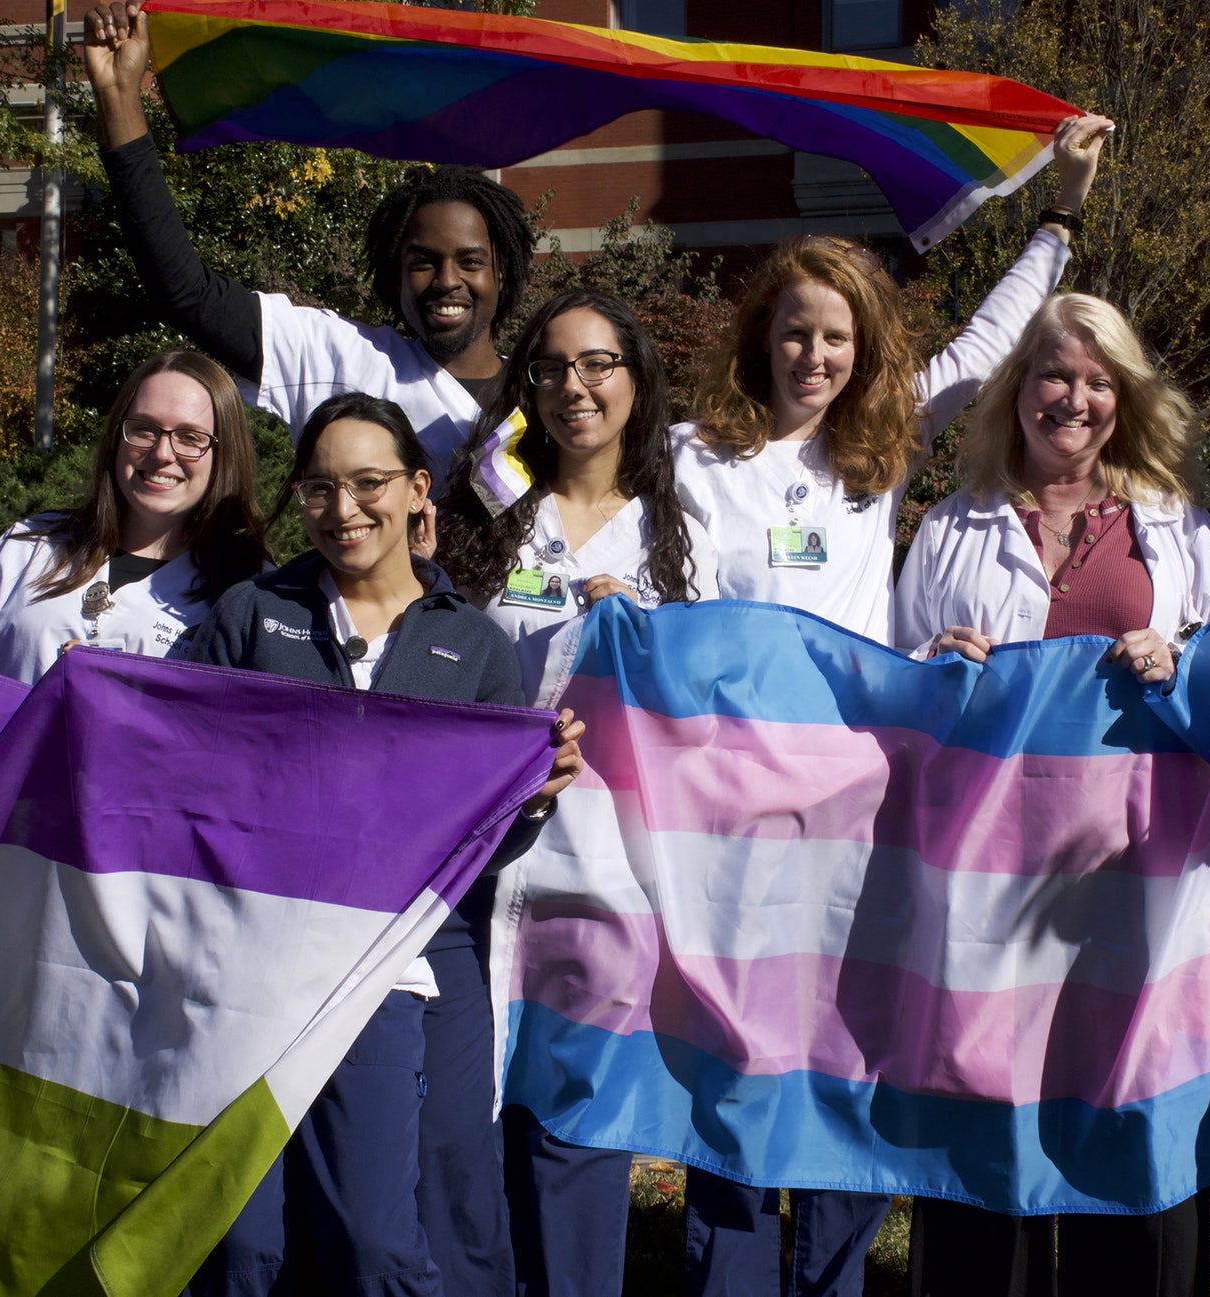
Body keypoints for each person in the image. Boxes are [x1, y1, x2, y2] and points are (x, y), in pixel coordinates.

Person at [670, 111, 1114, 1297]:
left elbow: (986, 341)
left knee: (850, 1051)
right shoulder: (697, 460)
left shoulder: (877, 455)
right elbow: (693, 622)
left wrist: (1058, 212)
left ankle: (829, 1277)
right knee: (734, 1053)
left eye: (837, 339)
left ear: (862, 353)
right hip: (733, 809)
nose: (814, 357)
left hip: (861, 811)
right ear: (760, 337)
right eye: (795, 333)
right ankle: (733, 1274)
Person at [185, 392, 585, 1297]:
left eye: (369, 484)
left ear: (416, 490)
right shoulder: (253, 613)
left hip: (396, 966)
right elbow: (176, 753)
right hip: (254, 961)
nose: (343, 509)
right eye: (320, 488)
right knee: (245, 1251)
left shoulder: (473, 643)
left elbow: (482, 840)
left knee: (378, 1236)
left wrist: (533, 795)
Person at [894, 292, 1210, 1297]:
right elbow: (891, 689)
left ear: (1124, 398)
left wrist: (1177, 653)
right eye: (1054, 373)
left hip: (1132, 875)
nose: (1073, 397)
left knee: (1124, 1104)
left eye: (1097, 380)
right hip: (985, 882)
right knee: (983, 1105)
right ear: (1016, 388)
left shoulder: (1172, 529)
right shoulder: (951, 528)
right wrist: (932, 661)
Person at [437, 289, 717, 1296]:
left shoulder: (680, 531)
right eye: (550, 367)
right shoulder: (488, 516)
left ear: (636, 383)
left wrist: (646, 636)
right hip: (483, 864)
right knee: (478, 1119)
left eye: (597, 363)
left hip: (612, 878)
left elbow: (712, 703)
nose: (572, 386)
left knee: (576, 1122)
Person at [83, 1, 531, 476]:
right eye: (422, 261)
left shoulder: (553, 394)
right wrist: (118, 96)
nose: (447, 280)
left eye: (470, 261)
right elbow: (185, 292)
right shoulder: (345, 361)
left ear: (501, 271)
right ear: (393, 272)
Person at [0, 349, 267, 683]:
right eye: (143, 428)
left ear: (225, 454)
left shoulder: (256, 592)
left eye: (190, 437)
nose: (162, 453)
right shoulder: (30, 548)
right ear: (117, 436)